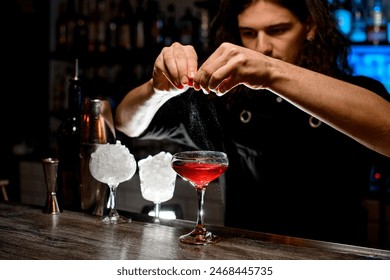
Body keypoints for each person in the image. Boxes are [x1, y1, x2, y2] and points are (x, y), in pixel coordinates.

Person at [115, 0, 390, 246]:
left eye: (278, 30)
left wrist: (271, 72)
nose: (262, 47)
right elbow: (128, 124)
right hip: (244, 258)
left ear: (310, 27)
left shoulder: (355, 92)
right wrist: (155, 88)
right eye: (249, 33)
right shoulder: (225, 101)